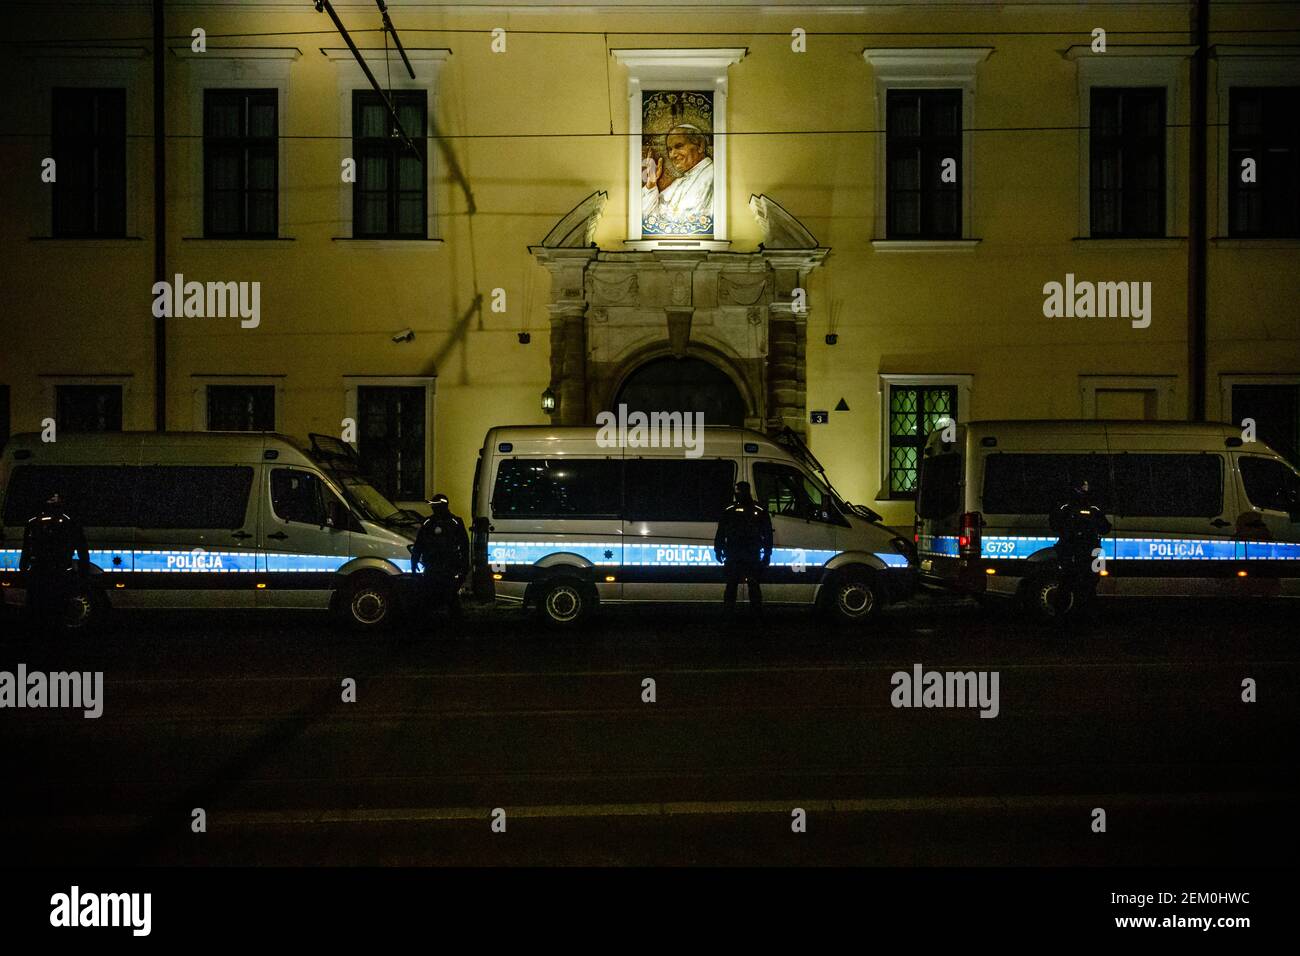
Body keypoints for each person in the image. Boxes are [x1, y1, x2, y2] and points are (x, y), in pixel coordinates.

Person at [19, 492, 90, 632]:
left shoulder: (34, 522)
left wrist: (23, 566)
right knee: (58, 605)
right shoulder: (69, 521)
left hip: (39, 570)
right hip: (60, 570)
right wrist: (84, 569)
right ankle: (55, 634)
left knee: (37, 605)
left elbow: (27, 547)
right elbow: (81, 547)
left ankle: (37, 633)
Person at [1048, 479, 1112, 617]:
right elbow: (1106, 528)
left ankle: (1069, 615)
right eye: (1084, 486)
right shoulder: (1073, 507)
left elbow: (1105, 527)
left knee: (1073, 583)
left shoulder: (1080, 507)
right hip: (1079, 552)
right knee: (1081, 584)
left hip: (1080, 552)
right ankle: (1078, 616)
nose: (1086, 488)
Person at [714, 481, 774, 618]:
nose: (737, 494)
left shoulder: (755, 510)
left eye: (739, 491)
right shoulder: (734, 509)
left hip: (746, 554)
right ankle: (731, 614)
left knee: (749, 584)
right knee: (734, 585)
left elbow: (767, 533)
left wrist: (767, 553)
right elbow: (721, 531)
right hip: (739, 553)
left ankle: (753, 614)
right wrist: (718, 549)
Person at [642, 124, 715, 231]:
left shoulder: (713, 176)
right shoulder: (678, 183)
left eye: (679, 146)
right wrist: (651, 184)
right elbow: (650, 220)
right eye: (669, 149)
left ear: (700, 146)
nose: (672, 155)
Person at [410, 493, 469, 623]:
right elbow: (419, 545)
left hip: (448, 569)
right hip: (432, 568)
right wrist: (414, 565)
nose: (433, 508)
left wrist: (464, 569)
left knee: (450, 600)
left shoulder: (455, 522)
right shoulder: (428, 523)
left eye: (435, 506)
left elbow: (464, 546)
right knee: (427, 601)